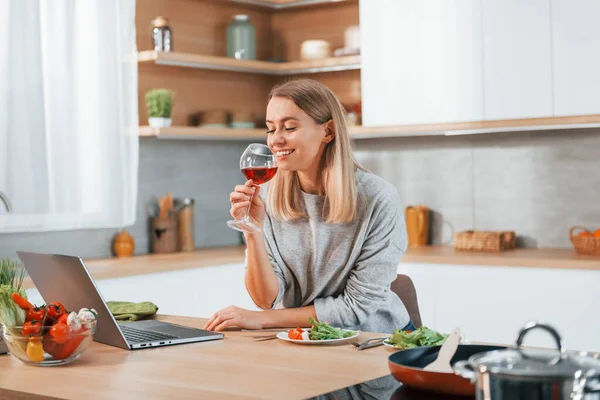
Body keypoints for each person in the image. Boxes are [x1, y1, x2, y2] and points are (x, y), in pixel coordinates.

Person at [204, 79, 413, 333]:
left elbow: (356, 307)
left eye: (289, 127)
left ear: (328, 132)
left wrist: (260, 319)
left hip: (373, 341)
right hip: (303, 338)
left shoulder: (378, 198)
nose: (275, 140)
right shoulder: (269, 197)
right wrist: (252, 230)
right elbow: (265, 300)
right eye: (270, 129)